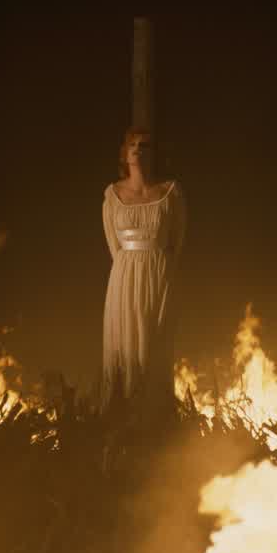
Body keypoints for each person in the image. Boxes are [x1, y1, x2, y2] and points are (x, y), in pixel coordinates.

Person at [100, 126, 187, 423]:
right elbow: (114, 244)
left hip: (159, 275)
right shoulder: (112, 195)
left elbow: (176, 243)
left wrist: (159, 272)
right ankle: (120, 418)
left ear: (154, 154)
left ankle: (155, 419)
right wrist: (130, 270)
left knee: (154, 347)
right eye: (133, 144)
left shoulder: (171, 192)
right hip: (124, 277)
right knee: (124, 347)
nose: (138, 149)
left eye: (145, 145)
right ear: (125, 153)